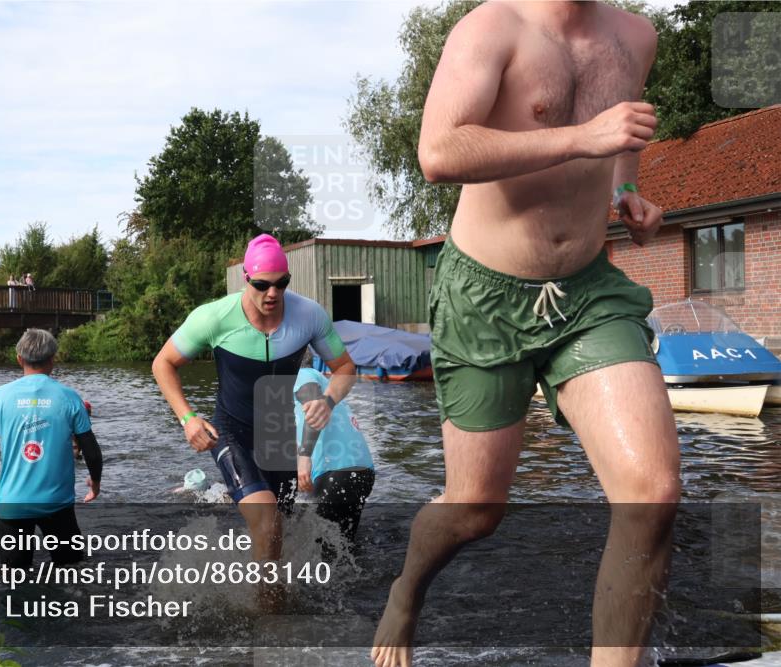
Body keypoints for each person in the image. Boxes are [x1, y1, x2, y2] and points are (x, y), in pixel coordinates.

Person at [370, 4, 679, 667]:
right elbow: (439, 152)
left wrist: (626, 190)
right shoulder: (492, 29)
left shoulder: (636, 36)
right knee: (475, 509)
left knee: (651, 493)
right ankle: (407, 589)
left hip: (588, 293)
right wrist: (583, 137)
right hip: (484, 297)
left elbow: (622, 133)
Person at [152, 234, 357, 589]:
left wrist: (328, 401)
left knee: (281, 531)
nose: (272, 293)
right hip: (231, 431)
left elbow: (345, 368)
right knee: (268, 525)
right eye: (262, 285)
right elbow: (163, 363)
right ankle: (269, 617)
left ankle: (265, 594)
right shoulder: (214, 317)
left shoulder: (308, 315)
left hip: (278, 433)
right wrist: (188, 418)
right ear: (246, 278)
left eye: (281, 283)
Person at [0, 329, 103, 568]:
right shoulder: (69, 397)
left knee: (15, 580)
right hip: (58, 504)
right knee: (71, 575)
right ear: (53, 359)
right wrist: (95, 482)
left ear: (19, 359)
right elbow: (91, 451)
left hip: (13, 504)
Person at [293, 368, 375, 544]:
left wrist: (305, 457)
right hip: (361, 469)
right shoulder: (323, 381)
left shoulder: (301, 374)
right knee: (344, 548)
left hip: (335, 470)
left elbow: (313, 405)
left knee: (317, 551)